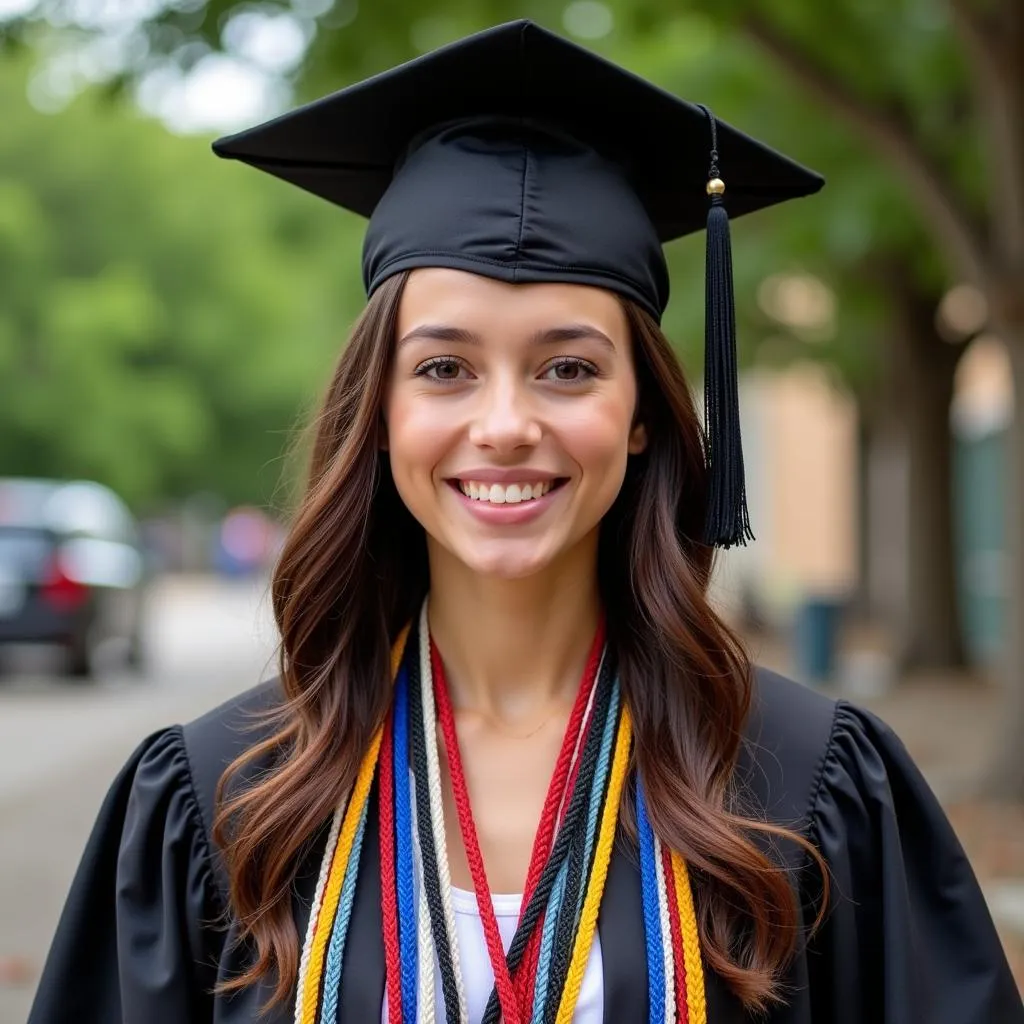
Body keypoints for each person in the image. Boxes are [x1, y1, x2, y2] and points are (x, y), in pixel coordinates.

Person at [28, 20, 1023, 1024]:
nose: (505, 425)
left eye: (568, 368)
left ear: (641, 416)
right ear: (379, 411)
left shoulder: (806, 786)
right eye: (444, 368)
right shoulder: (226, 799)